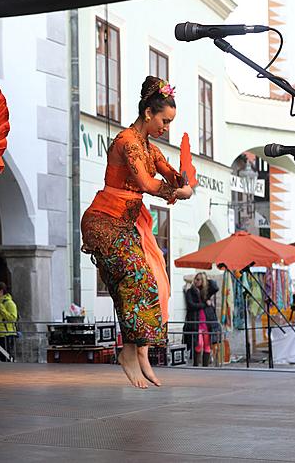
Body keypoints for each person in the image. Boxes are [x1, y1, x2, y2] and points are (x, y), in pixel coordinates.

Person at [81, 76, 193, 389]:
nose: (166, 127)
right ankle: (130, 354)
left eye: (170, 122)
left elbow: (170, 172)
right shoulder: (127, 142)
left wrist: (183, 179)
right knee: (134, 278)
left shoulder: (149, 147)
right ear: (148, 113)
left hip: (126, 224)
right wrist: (175, 192)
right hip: (102, 221)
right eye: (164, 120)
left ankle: (138, 351)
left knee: (152, 283)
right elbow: (145, 183)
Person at [183, 272, 220, 366]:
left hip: (207, 322)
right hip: (196, 322)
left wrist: (207, 279)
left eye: (199, 279)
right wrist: (204, 304)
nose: (196, 281)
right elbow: (191, 305)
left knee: (208, 345)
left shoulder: (206, 291)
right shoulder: (190, 291)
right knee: (198, 344)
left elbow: (215, 287)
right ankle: (196, 365)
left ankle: (205, 367)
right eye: (196, 279)